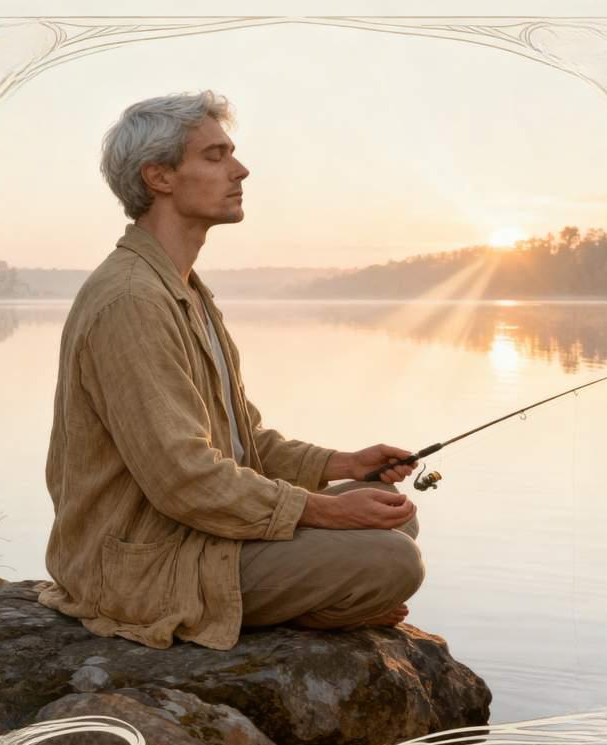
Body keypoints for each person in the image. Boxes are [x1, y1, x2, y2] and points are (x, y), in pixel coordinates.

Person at [37, 91, 425, 650]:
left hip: (198, 535)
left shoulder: (185, 290)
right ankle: (304, 608)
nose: (240, 170)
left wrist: (343, 464)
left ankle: (315, 597)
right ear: (159, 177)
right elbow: (184, 478)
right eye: (215, 156)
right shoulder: (131, 301)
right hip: (143, 565)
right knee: (390, 557)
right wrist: (326, 512)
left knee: (393, 516)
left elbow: (242, 443)